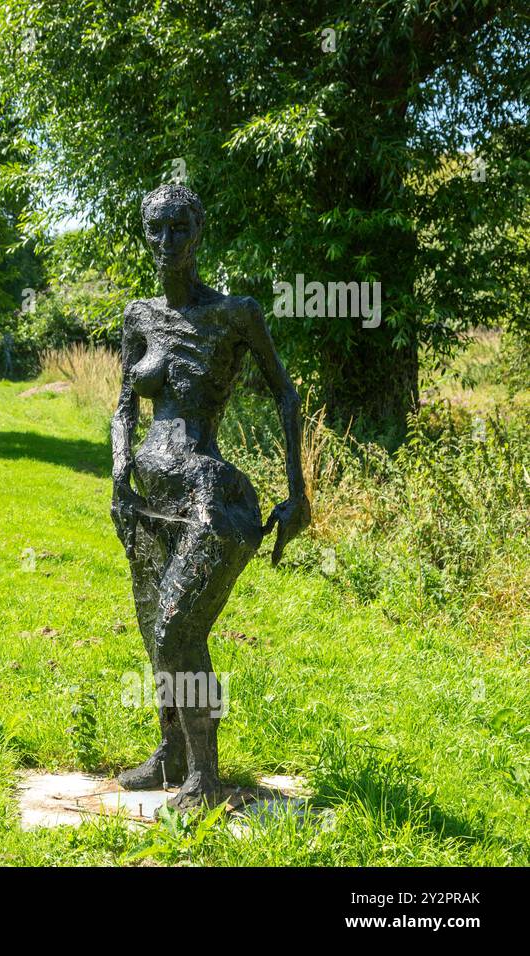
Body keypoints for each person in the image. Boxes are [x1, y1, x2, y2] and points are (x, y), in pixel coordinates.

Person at [110, 184, 310, 808]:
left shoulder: (234, 313)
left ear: (197, 235)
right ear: (146, 236)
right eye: (156, 230)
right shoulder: (138, 316)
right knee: (154, 632)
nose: (167, 243)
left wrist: (298, 492)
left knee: (177, 630)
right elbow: (122, 409)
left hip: (209, 495)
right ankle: (172, 755)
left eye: (179, 229)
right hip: (147, 498)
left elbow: (286, 394)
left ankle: (207, 780)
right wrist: (118, 477)